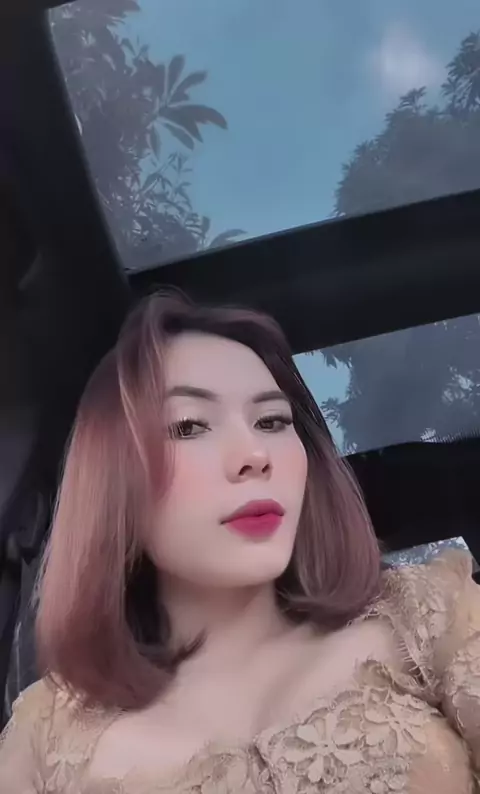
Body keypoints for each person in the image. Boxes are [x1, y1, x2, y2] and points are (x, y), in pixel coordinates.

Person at [0, 291, 479, 793]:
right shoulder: (47, 735)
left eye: (272, 421)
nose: (254, 454)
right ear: (113, 479)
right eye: (189, 426)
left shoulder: (428, 616)